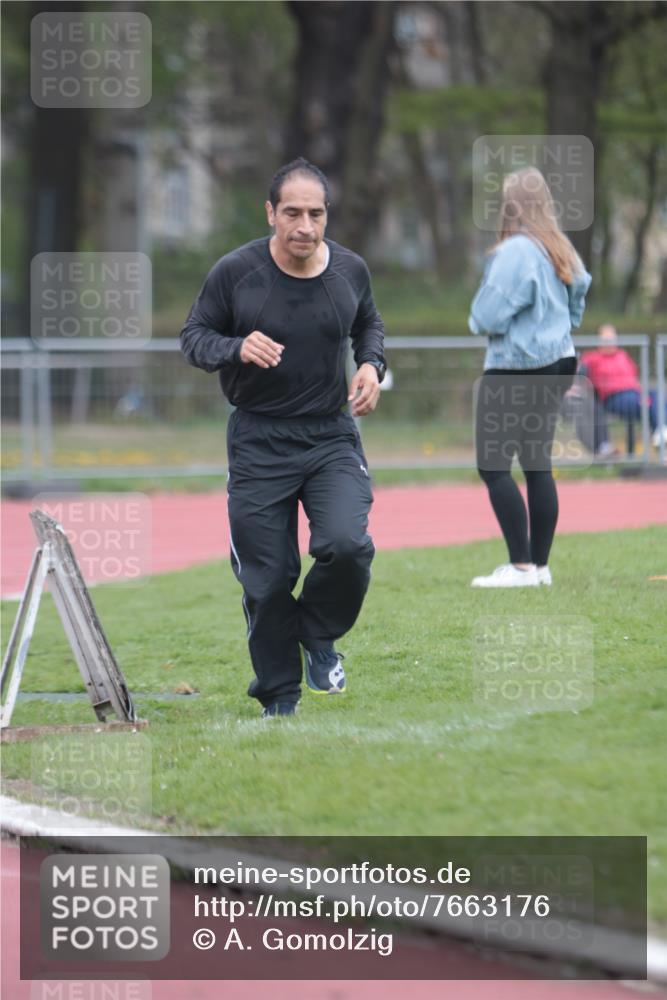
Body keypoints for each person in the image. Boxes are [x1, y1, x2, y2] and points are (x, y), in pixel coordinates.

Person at [180, 158, 386, 717]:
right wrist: (237, 346)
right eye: (292, 212)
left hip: (330, 438)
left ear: (327, 215)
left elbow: (368, 323)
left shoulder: (350, 269)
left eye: (316, 213)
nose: (305, 226)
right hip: (258, 441)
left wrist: (370, 365)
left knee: (346, 545)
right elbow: (194, 337)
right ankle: (279, 698)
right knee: (267, 581)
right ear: (270, 213)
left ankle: (317, 637)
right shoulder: (236, 273)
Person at [468, 166, 592, 588]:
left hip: (517, 365)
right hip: (559, 360)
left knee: (494, 464)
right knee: (538, 462)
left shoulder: (517, 250)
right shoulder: (560, 245)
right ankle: (539, 567)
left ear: (513, 204)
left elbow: (487, 315)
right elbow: (579, 296)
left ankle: (520, 566)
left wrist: (481, 318)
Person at [580, 324, 667, 447]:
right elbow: (580, 375)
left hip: (635, 393)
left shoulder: (622, 355)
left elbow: (633, 374)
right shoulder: (591, 357)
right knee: (654, 405)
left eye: (612, 338)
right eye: (606, 339)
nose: (610, 342)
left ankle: (661, 433)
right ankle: (661, 437)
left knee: (658, 397)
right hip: (614, 398)